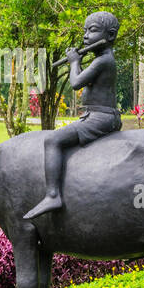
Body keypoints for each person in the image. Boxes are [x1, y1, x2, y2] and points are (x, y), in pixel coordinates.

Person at [23, 11, 122, 220]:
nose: (86, 36)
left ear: (110, 35)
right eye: (85, 31)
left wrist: (74, 61)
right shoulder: (101, 59)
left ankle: (52, 195)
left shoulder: (104, 61)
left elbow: (76, 82)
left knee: (52, 140)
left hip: (101, 117)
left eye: (92, 31)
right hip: (94, 115)